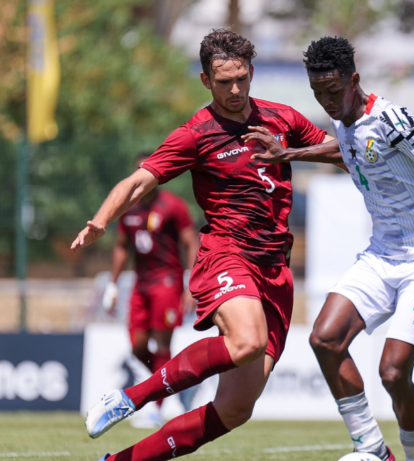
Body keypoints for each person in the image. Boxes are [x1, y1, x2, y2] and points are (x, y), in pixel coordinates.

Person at [71, 29, 342, 461]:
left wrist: (289, 154)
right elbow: (141, 179)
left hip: (276, 269)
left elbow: (342, 152)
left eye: (241, 79)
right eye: (223, 82)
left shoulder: (283, 118)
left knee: (235, 409)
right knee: (247, 342)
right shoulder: (196, 134)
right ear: (205, 80)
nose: (234, 90)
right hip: (227, 255)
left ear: (251, 72)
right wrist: (102, 219)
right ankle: (129, 398)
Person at [247, 36, 414, 461]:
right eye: (318, 94)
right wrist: (287, 153)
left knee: (393, 372)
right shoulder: (345, 123)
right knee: (325, 339)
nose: (327, 101)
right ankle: (371, 448)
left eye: (333, 91)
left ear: (354, 79)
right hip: (381, 256)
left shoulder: (392, 117)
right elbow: (346, 150)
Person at [102, 151, 199, 427]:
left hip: (167, 282)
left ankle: (155, 407)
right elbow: (122, 246)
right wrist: (112, 284)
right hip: (140, 285)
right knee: (137, 347)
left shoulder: (173, 206)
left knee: (162, 343)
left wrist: (191, 282)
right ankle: (180, 384)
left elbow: (191, 241)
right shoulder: (127, 208)